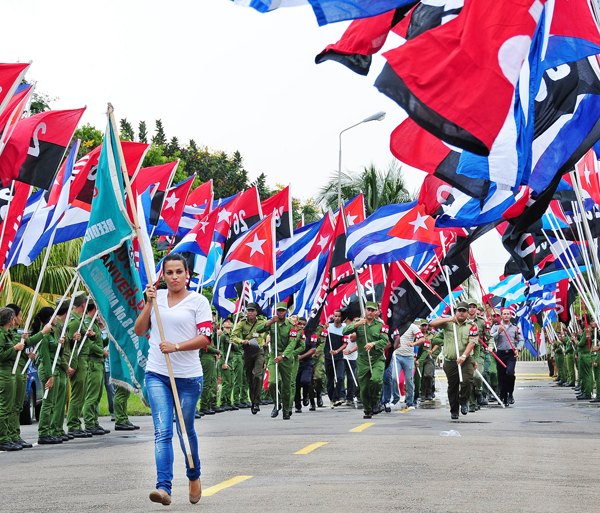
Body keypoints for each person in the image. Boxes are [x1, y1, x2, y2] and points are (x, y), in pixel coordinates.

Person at [134, 253, 212, 506]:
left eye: (179, 271)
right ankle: (163, 487)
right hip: (157, 374)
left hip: (188, 378)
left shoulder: (198, 301)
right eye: (169, 272)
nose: (174, 277)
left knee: (184, 431)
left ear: (187, 274)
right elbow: (139, 330)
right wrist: (148, 303)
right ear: (163, 276)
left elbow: (205, 338)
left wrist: (176, 346)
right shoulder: (156, 301)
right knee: (162, 430)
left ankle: (194, 475)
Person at [429, 301, 479, 420]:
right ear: (456, 312)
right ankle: (454, 410)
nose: (461, 313)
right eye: (459, 311)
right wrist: (448, 320)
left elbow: (472, 342)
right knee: (453, 386)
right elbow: (432, 323)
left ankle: (464, 401)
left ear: (467, 313)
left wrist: (464, 356)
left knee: (467, 381)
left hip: (466, 360)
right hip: (450, 360)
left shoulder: (472, 326)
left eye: (464, 311)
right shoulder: (448, 324)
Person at [343, 301, 389, 419]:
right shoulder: (359, 322)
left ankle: (375, 401)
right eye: (368, 309)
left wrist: (374, 343)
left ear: (376, 312)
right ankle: (368, 410)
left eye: (373, 310)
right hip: (363, 359)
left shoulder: (381, 325)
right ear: (365, 310)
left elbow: (385, 341)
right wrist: (357, 324)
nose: (370, 312)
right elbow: (345, 331)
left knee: (376, 380)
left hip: (377, 358)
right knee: (363, 388)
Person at [256, 302, 300, 420]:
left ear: (286, 312)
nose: (280, 313)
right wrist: (270, 322)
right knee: (272, 382)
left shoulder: (292, 326)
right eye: (278, 311)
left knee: (286, 387)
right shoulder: (272, 323)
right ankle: (277, 403)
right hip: (273, 356)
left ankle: (286, 410)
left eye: (282, 311)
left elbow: (292, 343)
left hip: (286, 358)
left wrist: (284, 356)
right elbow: (258, 329)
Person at [31, 307, 65, 445]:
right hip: (47, 370)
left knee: (52, 403)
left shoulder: (51, 334)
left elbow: (56, 356)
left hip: (53, 368)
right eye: (54, 316)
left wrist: (61, 347)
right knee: (47, 402)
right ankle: (43, 433)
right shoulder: (44, 336)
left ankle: (50, 431)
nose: (56, 319)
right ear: (50, 318)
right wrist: (50, 377)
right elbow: (44, 358)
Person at [6, 303, 37, 449]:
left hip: (16, 373)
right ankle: (6, 437)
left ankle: (14, 436)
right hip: (9, 374)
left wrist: (25, 353)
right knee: (8, 407)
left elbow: (19, 354)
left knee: (16, 407)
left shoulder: (11, 334)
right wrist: (16, 347)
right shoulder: (4, 335)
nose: (20, 318)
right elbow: (4, 355)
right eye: (19, 316)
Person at [231, 303, 266, 414]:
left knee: (257, 376)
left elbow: (269, 330)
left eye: (252, 311)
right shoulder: (242, 323)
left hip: (259, 351)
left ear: (256, 312)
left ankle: (256, 402)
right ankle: (252, 400)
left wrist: (267, 337)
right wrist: (241, 341)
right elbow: (233, 336)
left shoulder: (261, 322)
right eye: (248, 311)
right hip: (248, 352)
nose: (250, 313)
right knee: (250, 378)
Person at [83, 301, 110, 435]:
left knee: (98, 394)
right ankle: (89, 422)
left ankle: (94, 421)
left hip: (99, 362)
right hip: (93, 362)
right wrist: (102, 352)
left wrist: (109, 338)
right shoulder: (87, 323)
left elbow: (98, 341)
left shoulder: (94, 323)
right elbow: (89, 345)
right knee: (92, 394)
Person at [0, 307, 25, 451]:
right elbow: (1, 355)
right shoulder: (1, 334)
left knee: (11, 408)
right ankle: (3, 438)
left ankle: (9, 436)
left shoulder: (9, 334)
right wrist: (15, 349)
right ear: (10, 319)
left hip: (11, 373)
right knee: (4, 408)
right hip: (4, 374)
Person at [66, 291, 90, 438]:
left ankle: (76, 424)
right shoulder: (75, 321)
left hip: (83, 360)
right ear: (83, 304)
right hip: (78, 361)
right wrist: (73, 364)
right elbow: (72, 347)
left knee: (81, 395)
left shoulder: (78, 319)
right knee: (77, 395)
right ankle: (73, 425)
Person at [490, 308, 524, 406]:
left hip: (511, 354)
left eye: (507, 314)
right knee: (501, 375)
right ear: (501, 316)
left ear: (510, 316)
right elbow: (491, 338)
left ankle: (510, 393)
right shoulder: (496, 327)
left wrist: (518, 348)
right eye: (504, 314)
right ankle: (503, 396)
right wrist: (499, 332)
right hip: (500, 353)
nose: (505, 315)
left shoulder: (514, 327)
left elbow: (520, 339)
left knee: (510, 373)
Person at [391, 321, 422, 409]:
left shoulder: (413, 327)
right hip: (397, 355)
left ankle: (410, 402)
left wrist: (413, 344)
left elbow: (422, 339)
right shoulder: (395, 326)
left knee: (409, 380)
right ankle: (396, 397)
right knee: (394, 377)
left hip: (409, 357)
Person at [325, 310, 348, 408]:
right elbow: (321, 338)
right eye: (335, 316)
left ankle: (337, 397)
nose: (337, 318)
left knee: (340, 377)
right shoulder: (328, 327)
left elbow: (345, 343)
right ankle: (332, 398)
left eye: (338, 316)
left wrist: (337, 351)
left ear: (341, 317)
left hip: (339, 357)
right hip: (328, 357)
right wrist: (324, 329)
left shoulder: (344, 328)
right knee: (330, 379)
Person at [294, 322, 316, 413]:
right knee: (296, 384)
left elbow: (313, 349)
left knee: (306, 381)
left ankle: (306, 395)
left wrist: (302, 357)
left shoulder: (312, 335)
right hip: (295, 363)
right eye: (300, 324)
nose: (302, 326)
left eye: (304, 324)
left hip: (307, 362)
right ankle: (298, 405)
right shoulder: (294, 334)